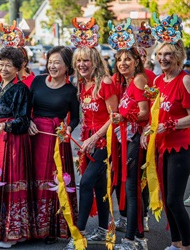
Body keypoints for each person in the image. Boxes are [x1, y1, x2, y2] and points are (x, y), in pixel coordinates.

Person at [64, 18, 118, 249]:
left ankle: (80, 233)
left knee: (85, 184)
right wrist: (82, 138)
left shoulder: (105, 82)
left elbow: (115, 117)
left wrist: (95, 138)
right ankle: (105, 231)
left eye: (86, 60)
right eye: (78, 61)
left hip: (105, 141)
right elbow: (85, 116)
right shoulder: (82, 84)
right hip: (89, 141)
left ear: (95, 61)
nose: (82, 64)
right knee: (96, 185)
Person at [141, 15, 190, 250]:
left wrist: (170, 125)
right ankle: (176, 242)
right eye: (160, 54)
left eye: (168, 54)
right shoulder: (159, 81)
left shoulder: (185, 80)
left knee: (173, 199)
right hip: (161, 146)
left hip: (181, 146)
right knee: (166, 198)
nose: (163, 58)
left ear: (178, 55)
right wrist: (147, 131)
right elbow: (156, 113)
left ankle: (188, 243)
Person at [0, 47, 36, 248]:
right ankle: (0, 230)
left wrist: (6, 125)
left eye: (9, 65)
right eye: (2, 64)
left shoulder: (22, 89)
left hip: (13, 141)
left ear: (17, 68)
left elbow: (24, 120)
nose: (4, 68)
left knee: (12, 182)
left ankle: (14, 233)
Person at [29, 45, 79, 244]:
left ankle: (51, 228)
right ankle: (32, 226)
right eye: (50, 62)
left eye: (57, 62)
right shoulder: (38, 81)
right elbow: (27, 107)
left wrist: (68, 128)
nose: (52, 66)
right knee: (33, 178)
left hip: (57, 138)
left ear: (67, 66)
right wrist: (29, 121)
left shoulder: (70, 90)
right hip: (35, 136)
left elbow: (75, 118)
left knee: (53, 180)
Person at [109, 19, 149, 250]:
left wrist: (123, 118)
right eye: (119, 59)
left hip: (135, 143)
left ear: (136, 62)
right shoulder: (125, 84)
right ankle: (137, 237)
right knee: (129, 187)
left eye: (127, 59)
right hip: (125, 142)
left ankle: (132, 239)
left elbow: (144, 113)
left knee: (132, 190)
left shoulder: (139, 79)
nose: (122, 62)